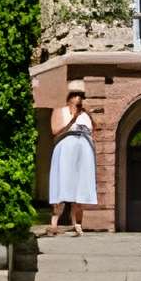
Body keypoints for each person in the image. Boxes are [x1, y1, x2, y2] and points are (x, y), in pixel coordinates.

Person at [47, 82, 97, 234]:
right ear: (68, 98)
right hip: (65, 150)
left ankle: (77, 224)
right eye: (75, 95)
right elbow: (55, 130)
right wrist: (73, 119)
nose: (78, 98)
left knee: (81, 186)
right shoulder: (60, 110)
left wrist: (88, 114)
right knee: (61, 184)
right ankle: (54, 223)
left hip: (84, 151)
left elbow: (94, 129)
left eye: (81, 96)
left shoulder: (85, 113)